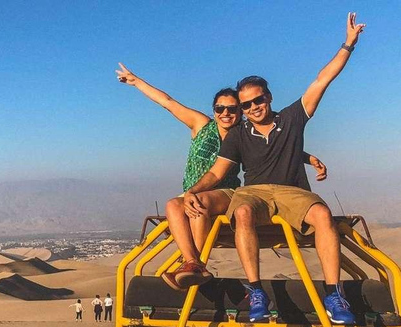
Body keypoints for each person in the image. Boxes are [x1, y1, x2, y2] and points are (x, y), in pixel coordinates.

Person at [182, 13, 365, 324]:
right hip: (253, 193)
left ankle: (334, 294)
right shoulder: (239, 134)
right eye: (246, 105)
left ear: (269, 97)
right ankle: (256, 292)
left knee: (322, 215)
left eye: (259, 100)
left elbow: (322, 79)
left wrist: (348, 44)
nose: (254, 107)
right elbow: (216, 171)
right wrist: (194, 191)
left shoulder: (292, 118)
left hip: (293, 192)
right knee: (241, 213)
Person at [117, 64, 327, 291]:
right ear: (213, 110)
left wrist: (306, 158)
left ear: (241, 111)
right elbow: (168, 103)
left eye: (233, 109)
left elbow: (273, 149)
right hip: (194, 189)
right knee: (173, 205)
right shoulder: (201, 124)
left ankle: (195, 264)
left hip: (226, 194)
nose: (225, 113)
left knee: (199, 206)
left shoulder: (243, 134)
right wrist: (135, 81)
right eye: (220, 108)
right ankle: (191, 261)